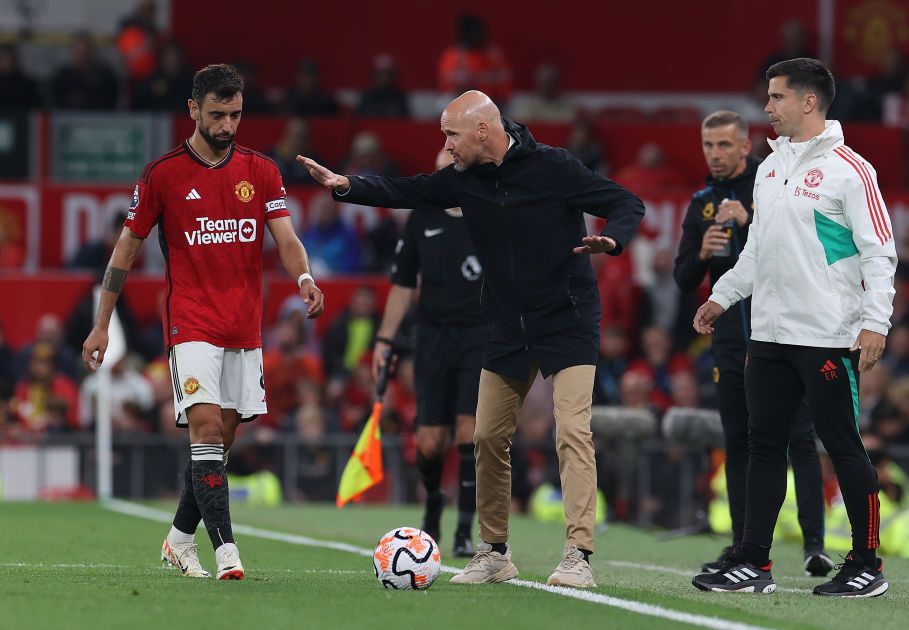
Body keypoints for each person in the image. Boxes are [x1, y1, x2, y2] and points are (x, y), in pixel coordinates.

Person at [298, 90, 644, 588]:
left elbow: (625, 202)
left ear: (483, 130)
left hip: (565, 318)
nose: (446, 145)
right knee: (485, 436)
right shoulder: (463, 181)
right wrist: (345, 185)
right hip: (505, 324)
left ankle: (577, 555)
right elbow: (407, 190)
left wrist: (613, 239)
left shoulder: (554, 167)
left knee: (571, 430)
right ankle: (494, 553)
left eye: (451, 135)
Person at [82, 64, 324, 581]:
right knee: (207, 428)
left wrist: (304, 278)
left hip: (244, 327)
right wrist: (102, 323)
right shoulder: (162, 174)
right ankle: (227, 551)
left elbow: (285, 238)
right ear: (193, 109)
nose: (228, 125)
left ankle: (176, 540)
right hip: (190, 324)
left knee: (220, 441)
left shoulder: (260, 170)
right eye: (217, 114)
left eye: (235, 114)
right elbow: (125, 250)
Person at [692, 58, 897, 597]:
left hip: (828, 336)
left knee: (843, 445)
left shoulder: (852, 170)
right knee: (764, 446)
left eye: (775, 97)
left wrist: (876, 322)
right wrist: (720, 297)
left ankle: (867, 563)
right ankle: (754, 562)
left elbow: (880, 253)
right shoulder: (769, 167)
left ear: (808, 102)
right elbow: (757, 251)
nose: (766, 107)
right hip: (769, 336)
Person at [674, 110, 831, 577]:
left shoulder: (771, 184)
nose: (715, 154)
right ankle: (744, 546)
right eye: (708, 145)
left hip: (780, 333)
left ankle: (814, 546)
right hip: (728, 343)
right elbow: (683, 280)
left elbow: (795, 255)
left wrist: (749, 220)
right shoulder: (701, 203)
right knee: (738, 441)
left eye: (724, 145)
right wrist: (702, 253)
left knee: (798, 438)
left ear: (746, 146)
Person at [370, 148, 485, 557]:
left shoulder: (488, 215)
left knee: (472, 432)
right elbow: (403, 283)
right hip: (433, 336)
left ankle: (466, 531)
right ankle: (434, 503)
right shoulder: (422, 217)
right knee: (430, 441)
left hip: (480, 335)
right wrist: (385, 340)